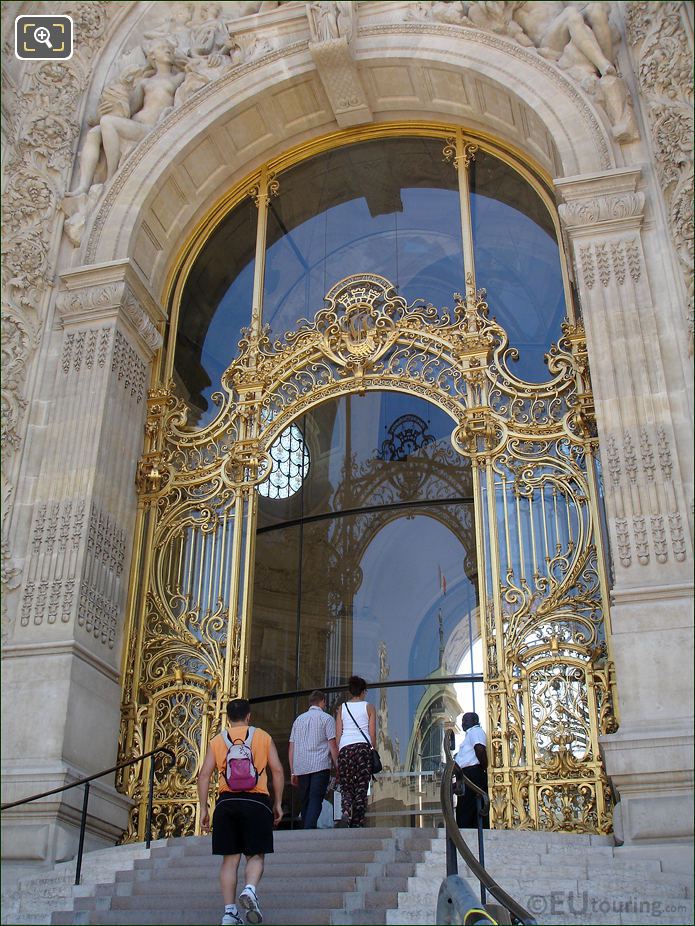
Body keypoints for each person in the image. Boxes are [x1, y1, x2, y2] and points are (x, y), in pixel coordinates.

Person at [198, 698, 284, 926]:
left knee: (229, 860)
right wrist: (277, 803)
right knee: (255, 855)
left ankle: (229, 912)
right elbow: (276, 770)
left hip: (227, 804)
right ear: (248, 716)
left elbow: (204, 775)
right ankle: (250, 888)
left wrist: (204, 807)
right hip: (256, 802)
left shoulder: (217, 740)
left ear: (228, 717)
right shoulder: (263, 737)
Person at [67, 36, 185, 196]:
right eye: (162, 47)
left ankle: (111, 179)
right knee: (94, 133)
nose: (167, 50)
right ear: (153, 55)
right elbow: (128, 110)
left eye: (169, 48)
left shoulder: (178, 77)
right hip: (136, 125)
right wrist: (105, 110)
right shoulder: (145, 82)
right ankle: (83, 186)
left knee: (108, 122)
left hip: (151, 129)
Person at [289, 690, 339, 829]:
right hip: (320, 765)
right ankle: (309, 829)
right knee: (316, 798)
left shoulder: (298, 720)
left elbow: (291, 747)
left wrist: (293, 771)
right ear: (322, 701)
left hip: (301, 766)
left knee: (305, 800)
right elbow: (333, 746)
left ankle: (306, 828)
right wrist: (338, 766)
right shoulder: (327, 719)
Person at [335, 675, 377, 828]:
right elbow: (372, 734)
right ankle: (357, 822)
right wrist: (373, 750)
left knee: (346, 785)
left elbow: (338, 733)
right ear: (363, 691)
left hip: (345, 749)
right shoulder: (369, 707)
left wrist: (342, 750)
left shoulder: (342, 708)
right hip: (362, 750)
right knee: (361, 787)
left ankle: (346, 811)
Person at [454, 711, 488, 829]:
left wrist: (484, 767)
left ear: (474, 721)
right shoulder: (469, 734)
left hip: (473, 773)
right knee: (466, 806)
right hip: (467, 774)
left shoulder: (475, 731)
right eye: (462, 720)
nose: (463, 723)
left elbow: (480, 749)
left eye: (465, 720)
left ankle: (466, 832)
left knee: (467, 807)